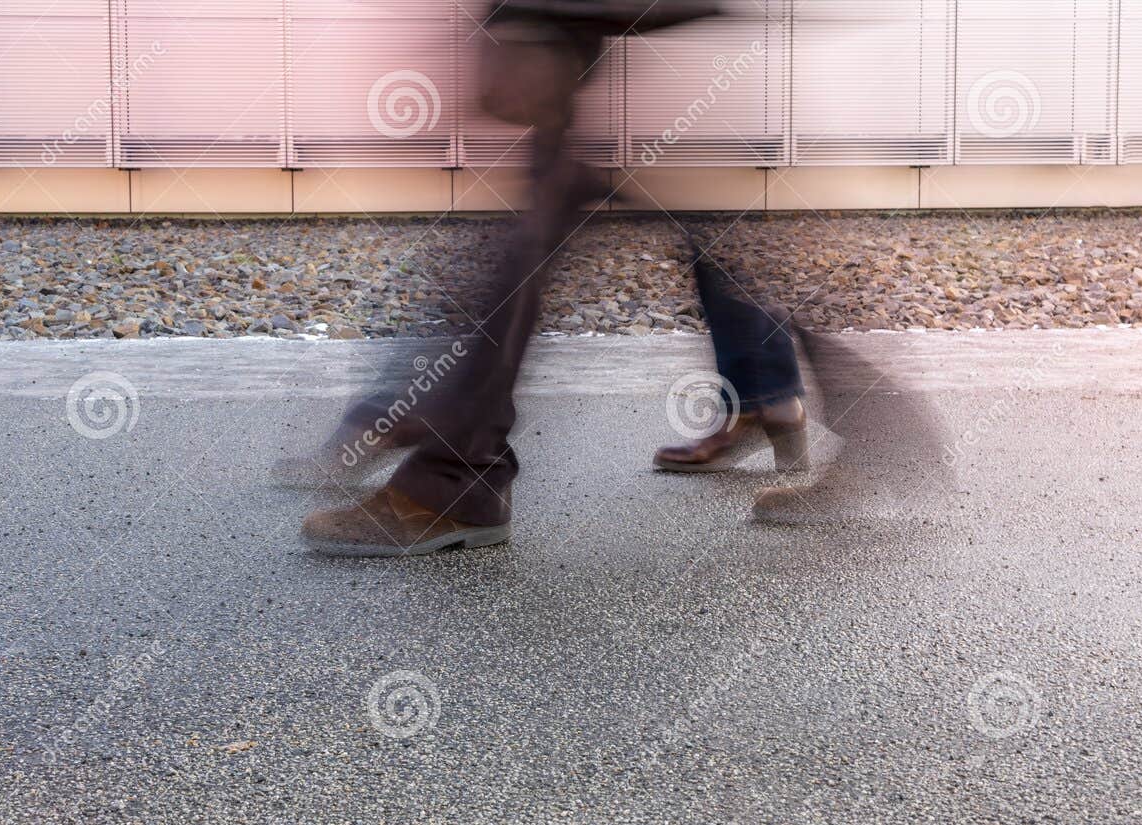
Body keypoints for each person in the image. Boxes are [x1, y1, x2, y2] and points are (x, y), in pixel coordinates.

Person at [296, 0, 817, 557]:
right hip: (606, 39)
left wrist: (518, 20)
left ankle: (449, 475)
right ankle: (770, 398)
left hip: (609, 37)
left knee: (549, 233)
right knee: (686, 232)